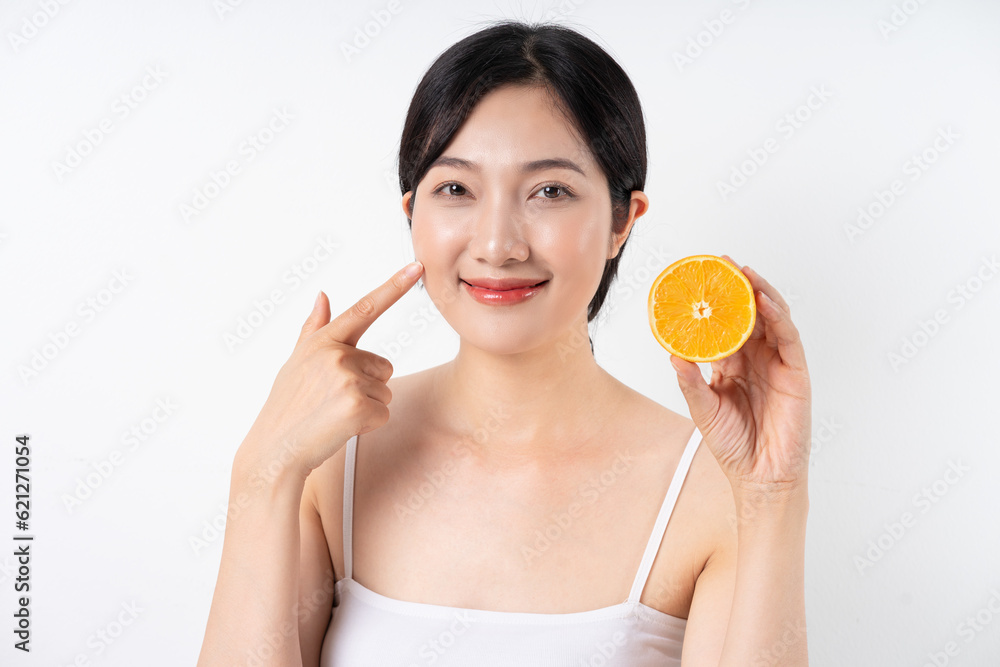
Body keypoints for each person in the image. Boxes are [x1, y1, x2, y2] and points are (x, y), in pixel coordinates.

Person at [197, 19, 811, 667]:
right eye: (455, 189)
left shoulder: (715, 485)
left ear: (622, 221)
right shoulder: (329, 456)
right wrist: (262, 472)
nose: (497, 244)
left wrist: (774, 497)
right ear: (412, 214)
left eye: (550, 191)